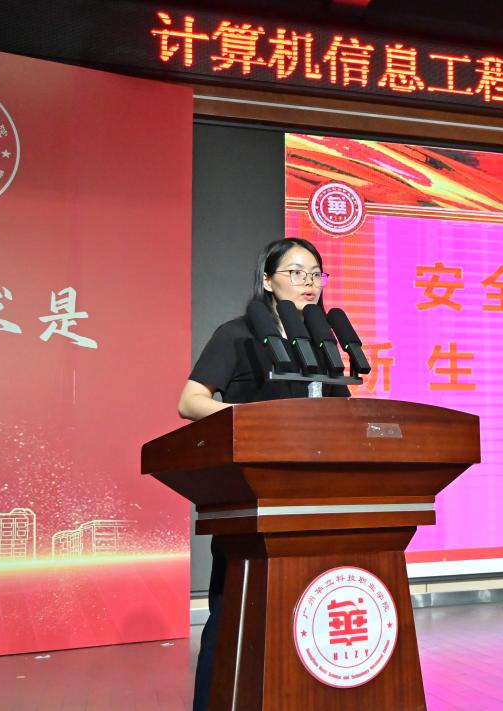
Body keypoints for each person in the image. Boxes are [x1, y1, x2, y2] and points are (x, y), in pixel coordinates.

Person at [178, 237, 350, 711]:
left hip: (315, 499)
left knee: (305, 618)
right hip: (252, 496)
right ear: (269, 281)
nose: (308, 282)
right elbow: (190, 402)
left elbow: (342, 414)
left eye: (315, 273)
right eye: (295, 272)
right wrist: (256, 422)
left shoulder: (323, 340)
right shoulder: (237, 334)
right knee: (234, 615)